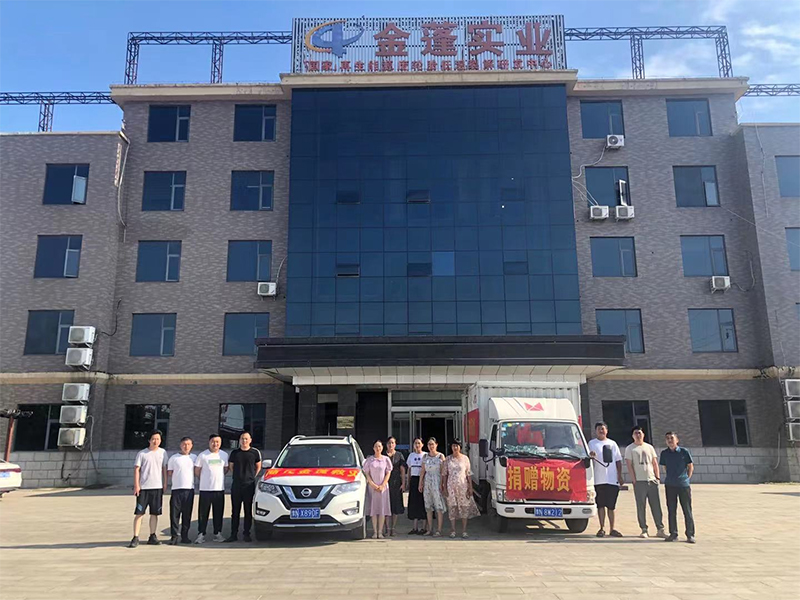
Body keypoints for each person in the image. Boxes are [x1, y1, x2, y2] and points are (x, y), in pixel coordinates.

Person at [624, 426, 666, 539]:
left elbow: (654, 463)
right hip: (639, 481)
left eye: (640, 433)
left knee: (656, 505)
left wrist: (657, 477)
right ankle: (644, 529)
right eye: (636, 433)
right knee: (641, 506)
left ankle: (660, 528)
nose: (638, 435)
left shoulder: (649, 447)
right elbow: (629, 465)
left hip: (652, 480)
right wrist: (634, 480)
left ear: (643, 434)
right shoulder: (630, 448)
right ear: (632, 435)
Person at [128, 429, 167, 548]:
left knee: (154, 513)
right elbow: (136, 469)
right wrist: (136, 485)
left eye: (158, 439)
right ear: (149, 440)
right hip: (144, 488)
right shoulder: (142, 453)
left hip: (157, 487)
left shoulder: (163, 453)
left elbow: (164, 469)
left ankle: (152, 536)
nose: (156, 441)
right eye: (153, 439)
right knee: (139, 513)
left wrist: (165, 483)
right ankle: (135, 537)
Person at [588, 421, 624, 538]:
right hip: (598, 479)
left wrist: (619, 475)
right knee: (600, 505)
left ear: (607, 430)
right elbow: (588, 457)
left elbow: (618, 461)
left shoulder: (612, 443)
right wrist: (591, 455)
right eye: (599, 429)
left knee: (611, 506)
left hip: (612, 479)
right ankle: (602, 528)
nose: (601, 431)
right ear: (595, 431)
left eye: (603, 428)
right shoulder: (592, 443)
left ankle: (612, 528)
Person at [225, 432, 262, 543]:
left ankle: (247, 534)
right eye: (242, 439)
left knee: (247, 510)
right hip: (236, 485)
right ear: (239, 440)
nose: (244, 441)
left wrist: (251, 476)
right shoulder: (235, 453)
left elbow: (258, 466)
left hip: (249, 485)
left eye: (246, 439)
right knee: (235, 511)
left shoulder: (255, 452)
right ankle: (233, 534)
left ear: (250, 440)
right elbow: (231, 466)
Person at [659, 431, 695, 543]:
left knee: (687, 510)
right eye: (667, 438)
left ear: (677, 440)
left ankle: (690, 534)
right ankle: (673, 533)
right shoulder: (664, 453)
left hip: (683, 485)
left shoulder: (684, 452)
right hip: (670, 485)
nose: (670, 440)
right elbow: (664, 467)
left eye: (672, 438)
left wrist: (686, 478)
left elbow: (690, 466)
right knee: (671, 510)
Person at [194, 433, 229, 544]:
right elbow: (197, 471)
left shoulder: (224, 455)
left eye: (217, 442)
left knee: (218, 513)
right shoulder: (203, 455)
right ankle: (201, 534)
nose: (215, 444)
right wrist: (205, 479)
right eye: (213, 442)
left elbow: (226, 469)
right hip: (205, 489)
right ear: (209, 442)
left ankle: (217, 533)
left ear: (220, 443)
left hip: (219, 489)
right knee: (203, 513)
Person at [442, 439, 480, 538]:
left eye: (457, 446)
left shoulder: (465, 458)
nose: (455, 448)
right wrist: (444, 487)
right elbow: (444, 474)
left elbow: (468, 474)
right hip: (451, 486)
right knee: (452, 507)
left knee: (464, 507)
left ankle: (464, 531)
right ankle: (453, 530)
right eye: (453, 446)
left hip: (463, 486)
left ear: (460, 447)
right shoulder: (447, 459)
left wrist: (470, 487)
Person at [167, 436, 197, 545]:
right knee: (174, 514)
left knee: (187, 514)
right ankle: (174, 536)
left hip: (189, 490)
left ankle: (185, 536)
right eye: (184, 444)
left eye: (188, 444)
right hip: (176, 490)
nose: (186, 446)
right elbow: (170, 472)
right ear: (180, 445)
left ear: (191, 446)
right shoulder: (174, 458)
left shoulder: (194, 458)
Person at [362, 439, 393, 539]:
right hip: (372, 488)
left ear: (382, 448)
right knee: (374, 509)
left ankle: (380, 532)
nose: (378, 448)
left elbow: (388, 473)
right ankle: (375, 532)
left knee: (382, 509)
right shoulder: (369, 460)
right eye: (376, 446)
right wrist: (372, 484)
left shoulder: (386, 459)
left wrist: (383, 485)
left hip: (383, 488)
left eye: (379, 446)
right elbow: (366, 473)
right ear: (373, 448)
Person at [418, 437, 446, 537]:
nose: (431, 446)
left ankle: (439, 530)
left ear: (436, 445)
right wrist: (420, 483)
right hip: (427, 482)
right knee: (428, 506)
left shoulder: (440, 456)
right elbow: (422, 471)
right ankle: (430, 529)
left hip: (437, 481)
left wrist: (442, 484)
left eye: (432, 444)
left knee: (438, 506)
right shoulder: (425, 456)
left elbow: (443, 472)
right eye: (429, 444)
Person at [384, 436, 406, 536]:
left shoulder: (399, 455)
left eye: (392, 443)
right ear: (386, 444)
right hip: (385, 482)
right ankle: (387, 528)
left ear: (395, 444)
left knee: (395, 507)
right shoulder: (383, 455)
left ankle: (393, 528)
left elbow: (402, 470)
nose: (391, 445)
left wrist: (403, 483)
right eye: (389, 443)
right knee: (386, 506)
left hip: (396, 483)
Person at [405, 437, 427, 535]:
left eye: (419, 443)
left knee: (422, 503)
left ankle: (424, 527)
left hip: (423, 480)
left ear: (422, 444)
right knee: (414, 503)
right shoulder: (411, 455)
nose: (417, 445)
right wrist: (408, 482)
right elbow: (409, 469)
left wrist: (422, 482)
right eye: (415, 443)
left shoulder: (425, 455)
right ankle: (415, 527)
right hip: (414, 480)